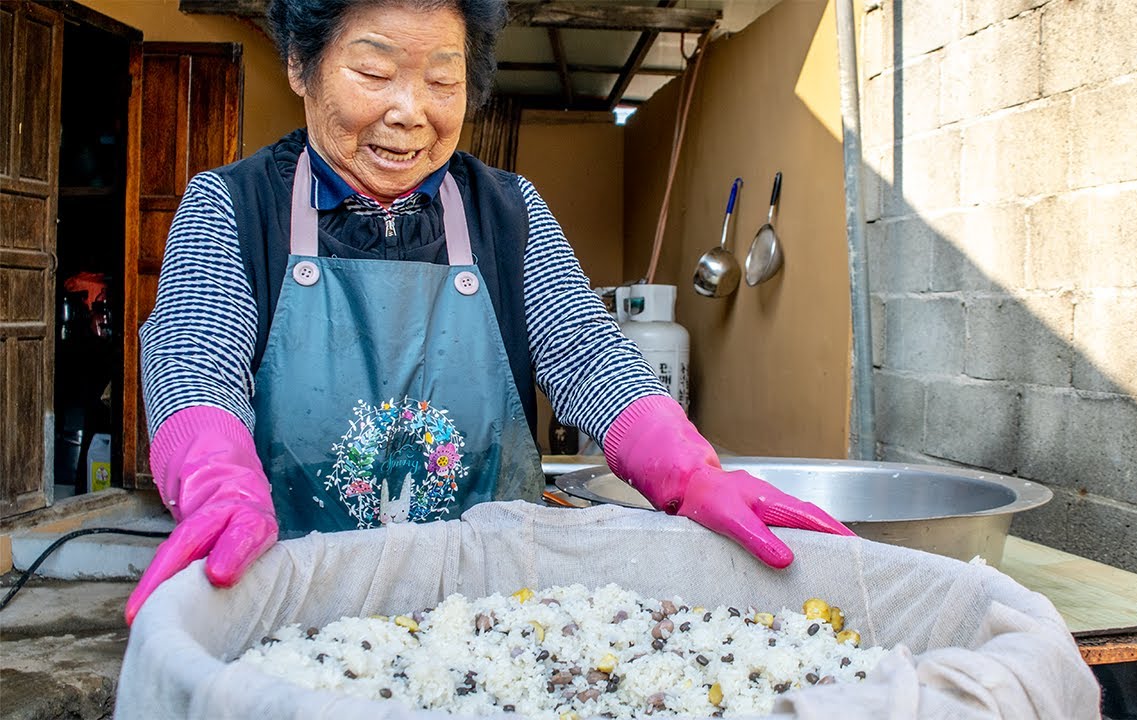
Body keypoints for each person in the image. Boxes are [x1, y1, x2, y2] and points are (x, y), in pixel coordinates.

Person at [124, 0, 852, 624]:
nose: (410, 113)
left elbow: (586, 351)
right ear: (299, 65)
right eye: (373, 74)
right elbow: (194, 355)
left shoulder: (509, 211)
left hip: (488, 617)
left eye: (443, 80)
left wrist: (687, 471)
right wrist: (216, 479)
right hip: (295, 601)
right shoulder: (231, 205)